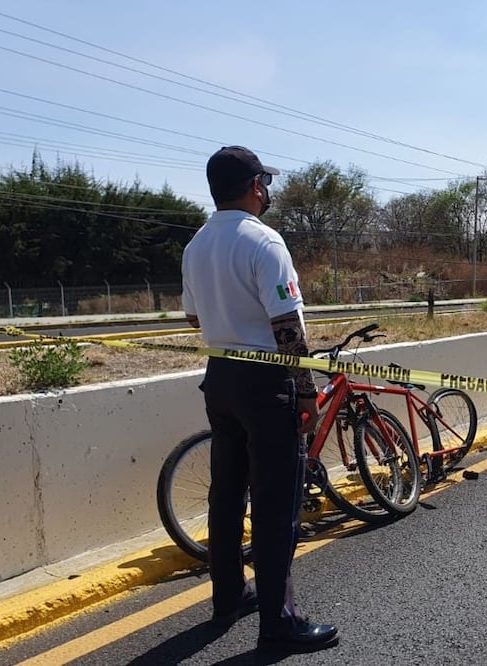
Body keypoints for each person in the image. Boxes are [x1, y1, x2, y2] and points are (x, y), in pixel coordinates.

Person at [181, 146, 339, 654]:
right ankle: (280, 621)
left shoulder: (196, 245)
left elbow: (193, 319)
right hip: (265, 380)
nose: (266, 192)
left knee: (226, 496)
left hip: (220, 376)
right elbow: (287, 325)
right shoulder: (264, 240)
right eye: (264, 183)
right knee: (276, 505)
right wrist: (306, 389)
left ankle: (229, 596)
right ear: (254, 186)